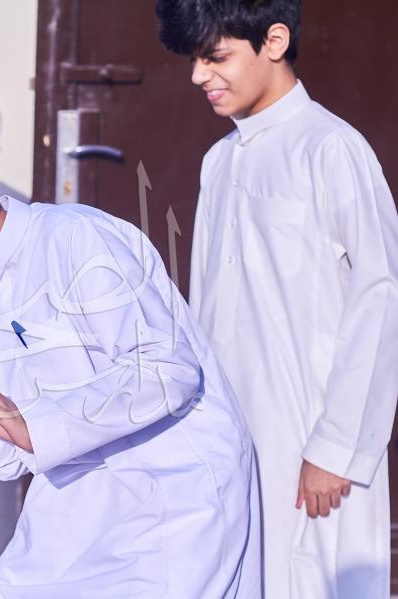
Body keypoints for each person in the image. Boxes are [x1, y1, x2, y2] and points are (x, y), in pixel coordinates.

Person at [0, 109, 261, 597]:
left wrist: (34, 426)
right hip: (77, 504)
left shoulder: (76, 238)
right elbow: (17, 450)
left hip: (171, 496)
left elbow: (169, 371)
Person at [155, 1, 398, 596]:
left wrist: (336, 447)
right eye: (194, 60)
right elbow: (206, 314)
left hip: (314, 447)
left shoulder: (331, 148)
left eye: (215, 57)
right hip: (234, 440)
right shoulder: (219, 161)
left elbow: (382, 297)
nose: (199, 76)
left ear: (275, 40)